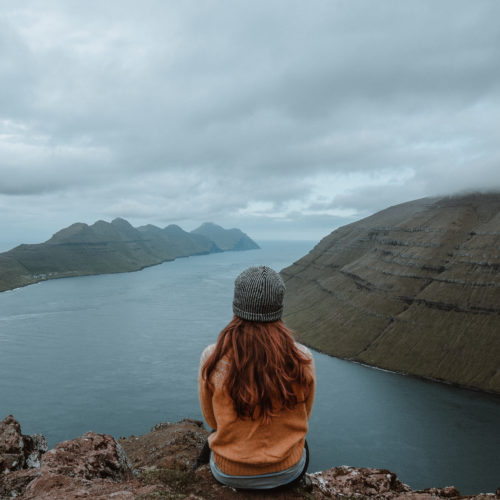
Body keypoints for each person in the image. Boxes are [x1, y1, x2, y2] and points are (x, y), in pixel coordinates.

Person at [197, 265, 316, 490]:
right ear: (278, 307)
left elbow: (212, 421)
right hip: (287, 473)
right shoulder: (302, 357)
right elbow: (304, 416)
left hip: (229, 474)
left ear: (237, 305)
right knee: (303, 443)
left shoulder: (212, 357)